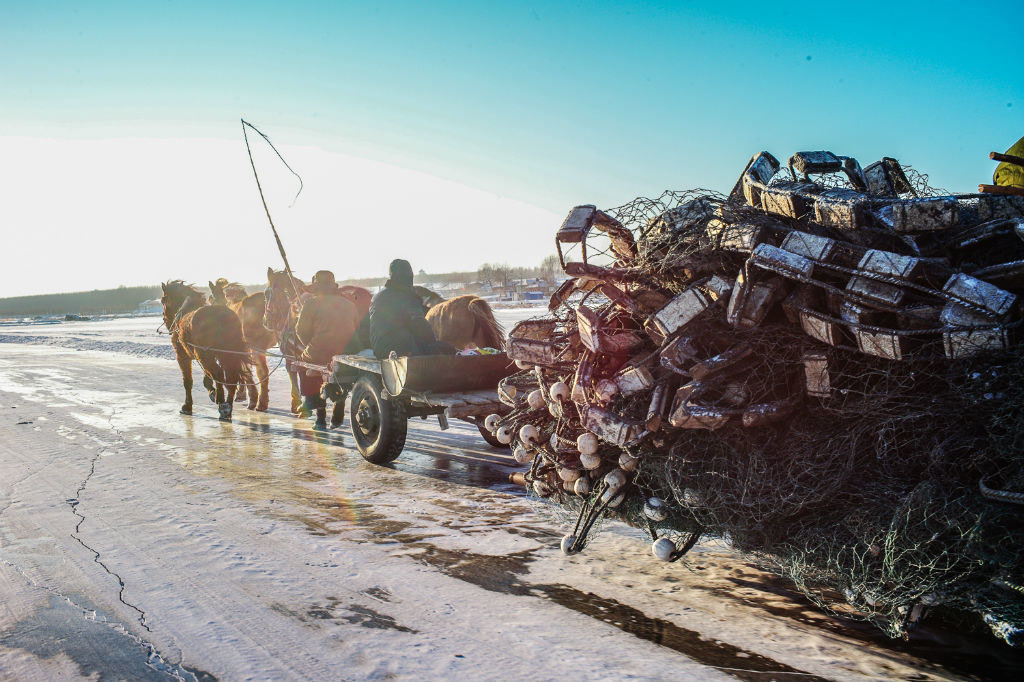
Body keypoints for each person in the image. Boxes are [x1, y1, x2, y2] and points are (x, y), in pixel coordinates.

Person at [295, 270, 357, 429]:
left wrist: (311, 344)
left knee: (303, 362)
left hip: (320, 349)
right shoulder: (349, 304)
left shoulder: (311, 303)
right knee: (339, 372)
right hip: (346, 351)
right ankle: (337, 415)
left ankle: (317, 412)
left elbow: (300, 330)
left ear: (317, 287)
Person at [369, 259, 452, 359]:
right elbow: (420, 325)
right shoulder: (407, 296)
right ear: (409, 275)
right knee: (447, 348)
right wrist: (435, 342)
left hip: (380, 349)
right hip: (402, 348)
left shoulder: (378, 296)